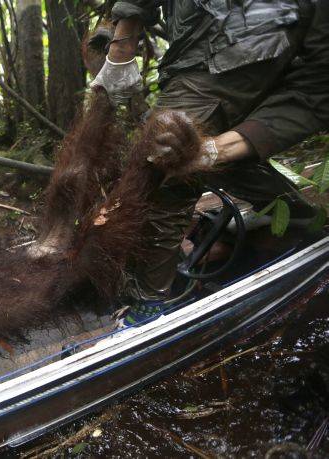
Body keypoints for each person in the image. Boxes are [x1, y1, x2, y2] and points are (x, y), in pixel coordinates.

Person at [91, 0, 329, 322]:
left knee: (166, 163)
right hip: (190, 48)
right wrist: (123, 43)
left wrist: (216, 150)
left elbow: (316, 91)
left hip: (261, 41)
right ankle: (296, 223)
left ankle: (147, 311)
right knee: (175, 157)